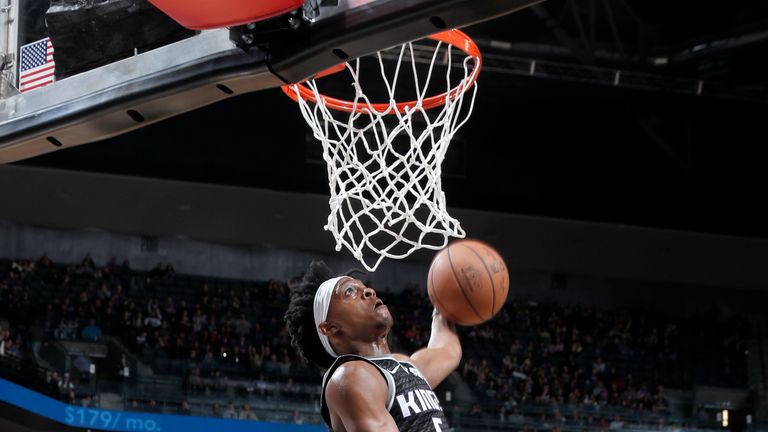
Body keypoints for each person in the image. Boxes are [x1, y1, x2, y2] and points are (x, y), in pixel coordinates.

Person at [285, 261, 461, 432]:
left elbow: (447, 351)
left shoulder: (402, 366)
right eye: (350, 291)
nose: (369, 291)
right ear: (330, 328)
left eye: (364, 286)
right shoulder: (351, 375)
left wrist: (444, 300)